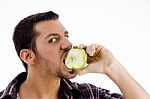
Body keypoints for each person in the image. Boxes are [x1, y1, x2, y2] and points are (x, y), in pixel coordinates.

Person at [0, 11, 149, 99]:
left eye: (66, 36)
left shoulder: (88, 95)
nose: (68, 44)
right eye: (53, 40)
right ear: (28, 56)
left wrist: (111, 66)